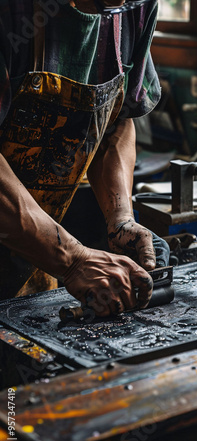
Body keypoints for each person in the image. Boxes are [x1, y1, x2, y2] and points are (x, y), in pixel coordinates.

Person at [0, 0, 170, 316]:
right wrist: (74, 259)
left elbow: (114, 120)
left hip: (36, 269)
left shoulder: (136, 8)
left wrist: (120, 217)